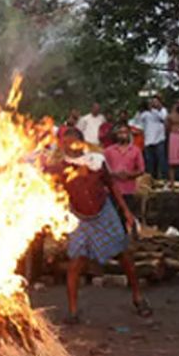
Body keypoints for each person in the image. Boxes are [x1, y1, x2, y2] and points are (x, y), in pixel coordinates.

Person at [53, 128, 152, 324]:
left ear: (81, 144)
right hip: (79, 219)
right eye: (64, 143)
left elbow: (112, 185)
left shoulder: (96, 162)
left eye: (71, 142)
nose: (68, 147)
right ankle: (73, 312)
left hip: (104, 214)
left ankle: (138, 298)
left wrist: (125, 211)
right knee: (75, 264)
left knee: (123, 255)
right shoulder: (61, 167)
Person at [103, 124, 145, 214]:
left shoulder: (136, 150)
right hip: (112, 190)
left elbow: (141, 169)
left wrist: (129, 175)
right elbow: (103, 169)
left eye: (125, 132)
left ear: (129, 134)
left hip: (129, 190)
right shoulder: (108, 151)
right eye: (120, 133)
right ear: (116, 135)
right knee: (113, 216)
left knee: (127, 217)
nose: (123, 135)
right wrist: (114, 174)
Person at [135, 97, 168, 179]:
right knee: (150, 163)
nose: (153, 103)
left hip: (159, 140)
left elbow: (164, 118)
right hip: (148, 141)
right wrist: (141, 110)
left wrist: (153, 110)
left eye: (155, 102)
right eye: (151, 102)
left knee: (161, 161)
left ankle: (164, 180)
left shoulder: (162, 111)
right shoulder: (145, 113)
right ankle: (151, 180)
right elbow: (138, 122)